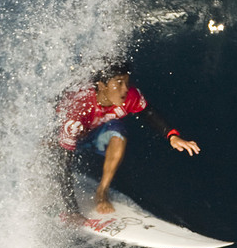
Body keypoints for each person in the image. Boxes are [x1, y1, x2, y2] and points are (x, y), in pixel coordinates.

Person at [54, 64, 200, 222]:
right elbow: (63, 163)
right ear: (102, 86)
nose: (125, 89)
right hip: (63, 134)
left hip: (93, 134)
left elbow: (148, 112)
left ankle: (102, 192)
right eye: (118, 83)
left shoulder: (129, 96)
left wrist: (172, 136)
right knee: (50, 151)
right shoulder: (78, 108)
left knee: (118, 133)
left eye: (126, 82)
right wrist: (72, 210)